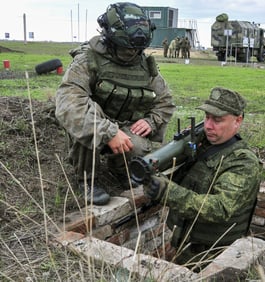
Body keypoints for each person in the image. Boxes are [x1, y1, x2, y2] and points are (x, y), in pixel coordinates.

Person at [55, 2, 176, 205]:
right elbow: (69, 104)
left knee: (138, 145)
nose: (132, 54)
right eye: (126, 48)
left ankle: (121, 171)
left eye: (137, 49)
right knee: (89, 115)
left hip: (124, 127)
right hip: (96, 125)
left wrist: (151, 121)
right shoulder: (88, 60)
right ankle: (87, 181)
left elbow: (165, 102)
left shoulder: (144, 65)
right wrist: (108, 132)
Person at [142, 87, 262, 270]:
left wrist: (168, 192)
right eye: (206, 117)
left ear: (238, 121)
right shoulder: (203, 145)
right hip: (185, 244)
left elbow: (220, 208)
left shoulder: (243, 163)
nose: (208, 125)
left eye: (217, 120)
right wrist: (182, 149)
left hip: (213, 256)